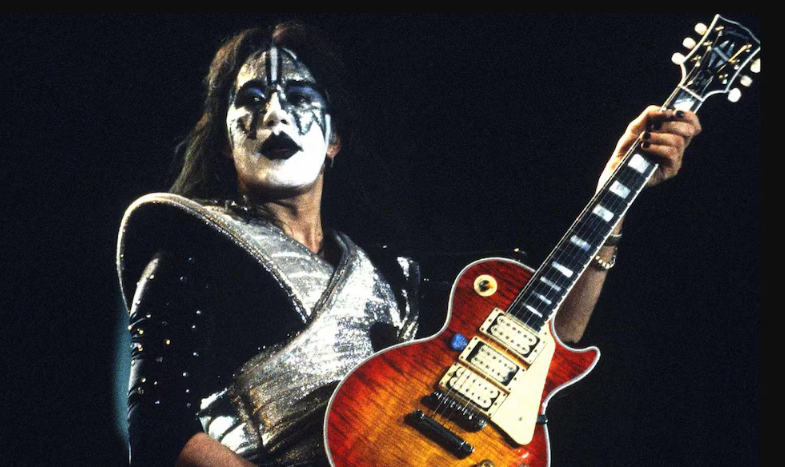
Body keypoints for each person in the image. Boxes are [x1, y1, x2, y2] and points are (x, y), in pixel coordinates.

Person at [116, 20, 701, 467]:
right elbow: (158, 433)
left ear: (335, 139)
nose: (274, 114)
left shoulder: (390, 272)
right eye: (249, 100)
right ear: (225, 142)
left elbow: (543, 346)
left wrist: (616, 195)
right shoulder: (190, 252)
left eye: (299, 95)